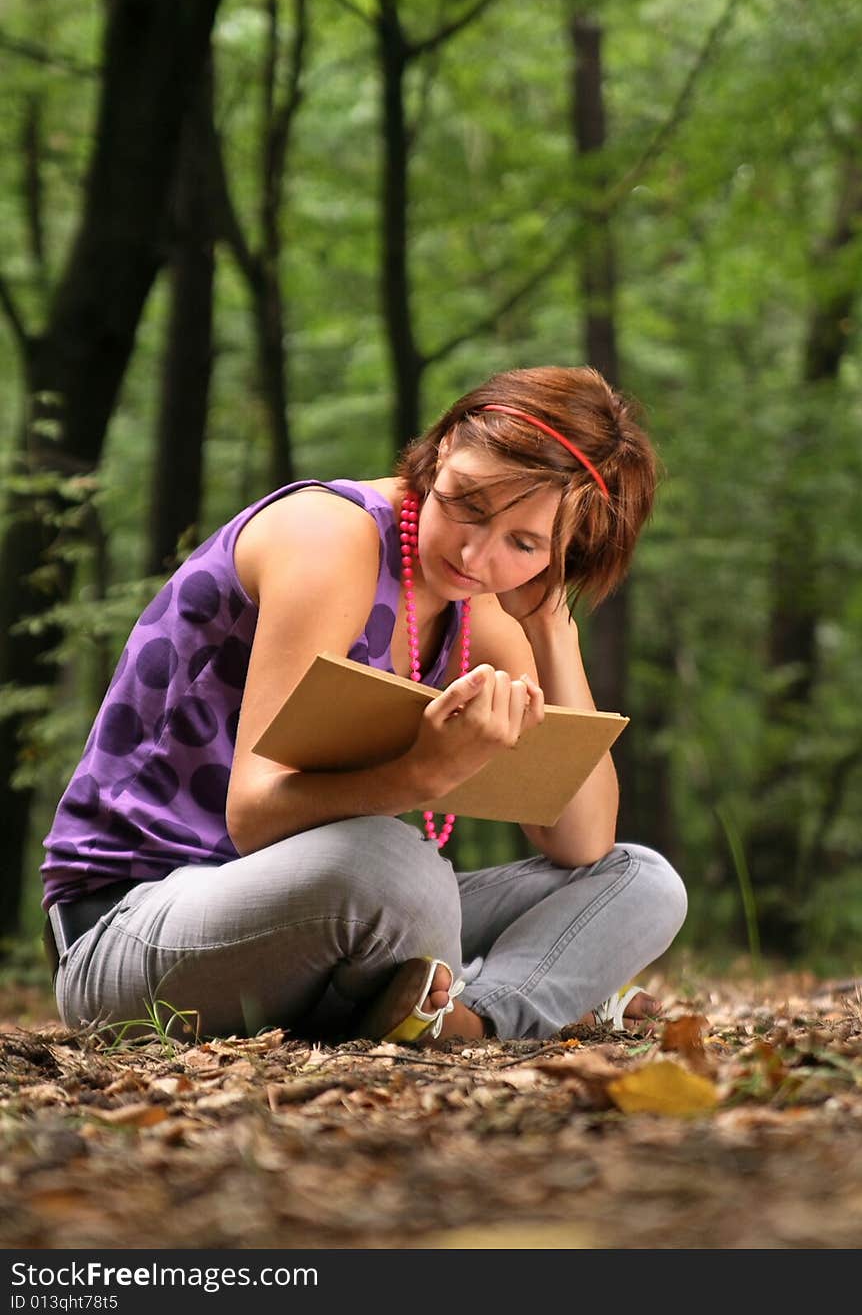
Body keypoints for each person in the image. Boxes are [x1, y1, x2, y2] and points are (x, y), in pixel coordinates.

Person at [41, 365, 687, 1045]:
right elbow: (255, 815)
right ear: (441, 454)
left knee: (639, 880)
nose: (475, 552)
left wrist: (552, 630)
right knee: (394, 866)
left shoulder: (479, 608)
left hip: (314, 916)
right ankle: (490, 996)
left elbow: (578, 841)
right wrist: (421, 776)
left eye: (524, 544)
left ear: (565, 554)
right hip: (126, 929)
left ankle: (468, 1016)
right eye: (467, 502)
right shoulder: (330, 539)